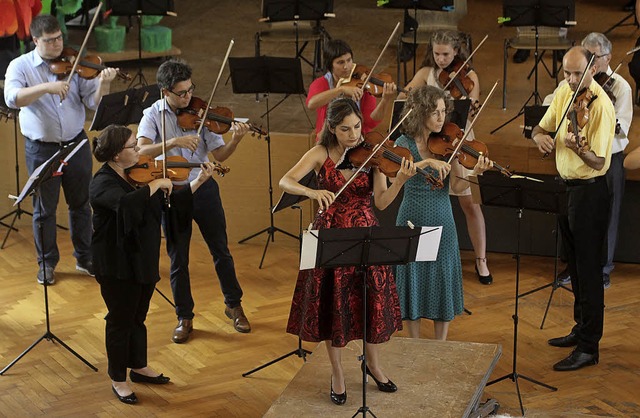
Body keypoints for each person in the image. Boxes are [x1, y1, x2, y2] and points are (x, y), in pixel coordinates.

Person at [279, 98, 415, 405]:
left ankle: (374, 365)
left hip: (365, 235)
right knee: (334, 308)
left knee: (371, 306)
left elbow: (380, 201)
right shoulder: (319, 153)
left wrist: (401, 182)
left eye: (357, 126)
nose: (354, 135)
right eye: (345, 129)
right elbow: (285, 181)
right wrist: (312, 191)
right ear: (332, 128)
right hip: (331, 239)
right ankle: (337, 372)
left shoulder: (373, 156)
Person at [90, 124, 219, 404]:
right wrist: (154, 185)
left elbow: (169, 202)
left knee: (138, 316)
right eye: (132, 146)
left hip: (142, 259)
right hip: (117, 264)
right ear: (115, 155)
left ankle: (138, 366)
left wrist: (197, 183)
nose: (139, 149)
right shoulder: (102, 183)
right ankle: (117, 378)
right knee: (120, 319)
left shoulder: (137, 176)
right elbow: (125, 206)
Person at [137, 59, 252, 343]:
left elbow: (220, 156)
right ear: (165, 92)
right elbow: (141, 151)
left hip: (204, 189)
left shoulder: (202, 113)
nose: (189, 97)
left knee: (221, 250)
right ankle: (184, 316)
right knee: (179, 259)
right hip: (172, 193)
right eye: (182, 93)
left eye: (190, 90)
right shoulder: (152, 114)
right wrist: (173, 143)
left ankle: (233, 305)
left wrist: (235, 140)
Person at [3, 14, 118, 284]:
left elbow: (93, 103)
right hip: (42, 148)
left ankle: (85, 257)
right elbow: (12, 99)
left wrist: (104, 83)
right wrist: (47, 87)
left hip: (76, 143)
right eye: (50, 40)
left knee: (81, 204)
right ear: (35, 40)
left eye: (59, 38)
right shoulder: (20, 66)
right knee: (45, 210)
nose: (57, 45)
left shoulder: (73, 61)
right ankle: (47, 263)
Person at [532, 46, 615, 372]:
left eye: (576, 73)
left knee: (590, 270)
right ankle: (581, 329)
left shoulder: (602, 107)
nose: (569, 79)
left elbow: (600, 161)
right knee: (574, 268)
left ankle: (589, 347)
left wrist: (578, 150)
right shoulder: (564, 94)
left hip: (591, 193)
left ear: (592, 70)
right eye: (566, 72)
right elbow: (541, 127)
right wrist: (540, 137)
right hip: (566, 191)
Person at [394, 85, 492, 340]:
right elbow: (396, 177)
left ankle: (440, 345)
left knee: (442, 275)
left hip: (442, 218)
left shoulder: (450, 145)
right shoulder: (403, 143)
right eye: (435, 112)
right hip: (411, 216)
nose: (441, 118)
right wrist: (422, 164)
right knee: (412, 276)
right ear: (419, 113)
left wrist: (473, 172)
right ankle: (414, 344)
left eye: (443, 111)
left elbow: (458, 186)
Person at [400, 30, 492, 285]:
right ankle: (429, 256)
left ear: (456, 52)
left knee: (470, 203)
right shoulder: (425, 74)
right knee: (435, 198)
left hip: (456, 140)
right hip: (429, 141)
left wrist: (472, 105)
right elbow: (405, 97)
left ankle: (481, 259)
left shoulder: (468, 76)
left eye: (446, 54)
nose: (440, 59)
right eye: (436, 53)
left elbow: (471, 108)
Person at [549, 33, 633, 289]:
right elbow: (551, 107)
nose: (589, 62)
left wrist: (597, 113)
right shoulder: (572, 85)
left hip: (608, 157)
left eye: (594, 57)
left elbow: (622, 128)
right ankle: (571, 267)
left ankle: (604, 268)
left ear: (606, 58)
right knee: (570, 217)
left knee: (609, 214)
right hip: (577, 160)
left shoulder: (619, 87)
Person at [306, 39, 397, 138]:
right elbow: (311, 104)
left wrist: (385, 100)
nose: (346, 66)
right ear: (330, 65)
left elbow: (371, 122)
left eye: (349, 60)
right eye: (340, 62)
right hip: (329, 138)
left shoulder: (362, 83)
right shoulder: (321, 83)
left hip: (357, 138)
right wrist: (341, 89)